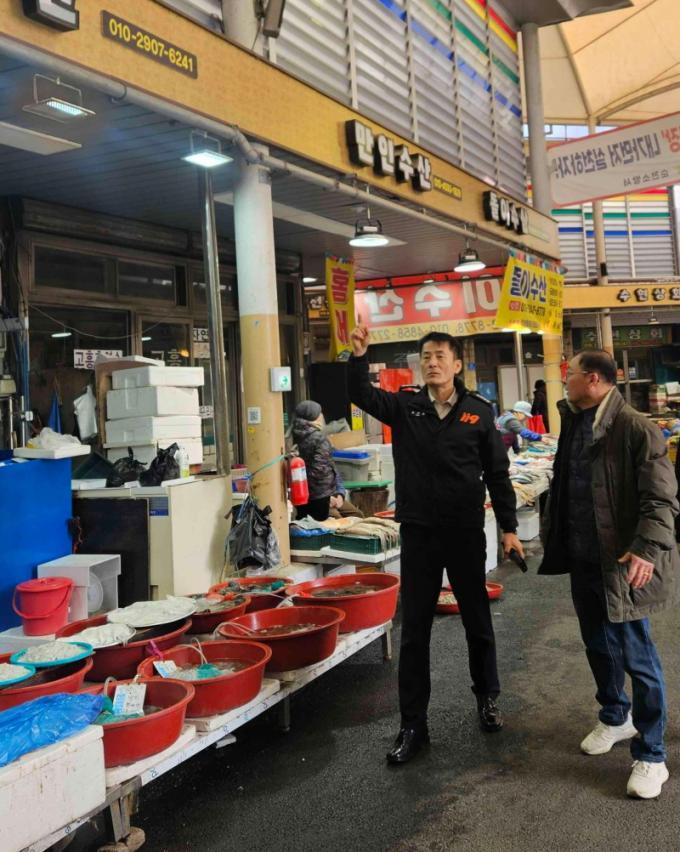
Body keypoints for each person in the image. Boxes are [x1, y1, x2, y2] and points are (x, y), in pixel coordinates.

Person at [348, 325, 522, 765]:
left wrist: (508, 527)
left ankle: (487, 698)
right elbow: (360, 394)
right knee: (415, 631)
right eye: (426, 356)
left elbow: (497, 473)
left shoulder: (478, 411)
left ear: (457, 364)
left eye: (441, 355)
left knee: (477, 621)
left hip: (464, 532)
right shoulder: (405, 406)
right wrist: (359, 356)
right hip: (420, 533)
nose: (432, 362)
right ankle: (413, 725)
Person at [540, 349, 680, 799]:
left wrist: (645, 550)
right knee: (598, 645)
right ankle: (616, 716)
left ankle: (652, 755)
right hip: (584, 558)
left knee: (638, 655)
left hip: (623, 563)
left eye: (571, 374)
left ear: (594, 380)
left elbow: (662, 499)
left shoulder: (636, 427)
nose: (564, 380)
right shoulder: (574, 422)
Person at [290, 400, 344, 521]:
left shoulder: (294, 435)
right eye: (319, 413)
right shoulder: (319, 439)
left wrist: (340, 493)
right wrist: (330, 497)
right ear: (313, 417)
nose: (322, 416)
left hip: (302, 494)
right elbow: (320, 471)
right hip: (321, 497)